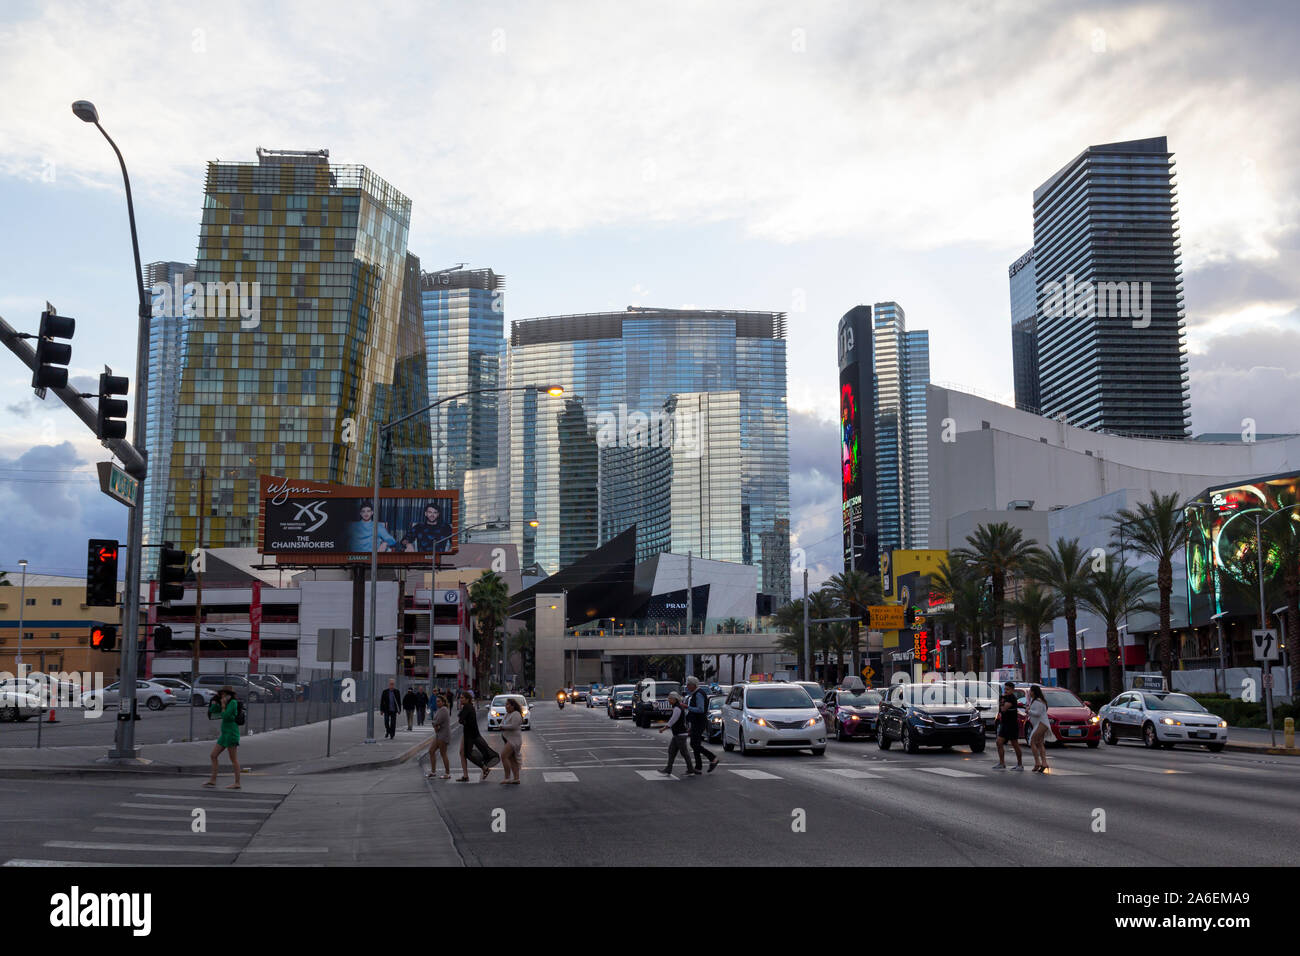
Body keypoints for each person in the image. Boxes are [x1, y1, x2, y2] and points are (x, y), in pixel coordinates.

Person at [204, 686, 242, 789]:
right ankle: (213, 780)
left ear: (229, 695)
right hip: (224, 734)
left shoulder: (233, 703)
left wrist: (224, 705)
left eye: (224, 694)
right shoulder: (223, 701)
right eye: (221, 694)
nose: (223, 696)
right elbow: (213, 711)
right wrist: (215, 702)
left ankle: (237, 782)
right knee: (213, 755)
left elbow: (226, 716)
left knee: (233, 759)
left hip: (231, 734)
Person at [457, 690, 500, 781]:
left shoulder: (467, 707)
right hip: (469, 733)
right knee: (462, 753)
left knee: (467, 754)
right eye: (460, 698)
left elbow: (461, 720)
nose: (460, 699)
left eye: (462, 698)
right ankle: (466, 775)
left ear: (467, 699)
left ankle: (484, 768)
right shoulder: (469, 707)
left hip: (470, 734)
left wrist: (462, 719)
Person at [658, 691, 697, 776]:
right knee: (671, 751)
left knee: (684, 753)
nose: (668, 700)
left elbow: (673, 720)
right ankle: (669, 769)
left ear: (674, 699)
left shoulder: (677, 708)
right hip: (678, 734)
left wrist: (664, 728)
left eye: (670, 699)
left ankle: (690, 769)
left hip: (680, 734)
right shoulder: (676, 707)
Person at [685, 675, 719, 773]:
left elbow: (700, 709)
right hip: (696, 722)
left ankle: (712, 758)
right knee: (695, 744)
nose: (687, 687)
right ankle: (698, 767)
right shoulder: (695, 694)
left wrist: (687, 707)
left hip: (699, 722)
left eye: (688, 685)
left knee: (694, 744)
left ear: (693, 685)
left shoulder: (699, 694)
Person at [993, 681, 1025, 771]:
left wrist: (1001, 703)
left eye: (1008, 689)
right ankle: (1002, 763)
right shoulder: (1005, 697)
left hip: (1011, 724)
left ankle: (1020, 764)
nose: (1006, 691)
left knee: (1015, 744)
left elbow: (1003, 709)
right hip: (1004, 723)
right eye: (1005, 689)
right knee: (999, 742)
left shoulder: (1011, 698)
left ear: (1012, 690)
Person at [1026, 684, 1057, 772]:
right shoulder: (1036, 701)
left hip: (1041, 724)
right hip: (1040, 724)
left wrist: (1029, 711)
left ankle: (1037, 763)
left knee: (1032, 742)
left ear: (1034, 692)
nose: (1029, 693)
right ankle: (1044, 763)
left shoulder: (1038, 701)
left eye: (1031, 691)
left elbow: (1038, 713)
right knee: (1039, 743)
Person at [426, 693, 452, 779]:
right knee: (431, 751)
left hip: (443, 735)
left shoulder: (444, 709)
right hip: (438, 734)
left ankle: (447, 773)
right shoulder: (439, 709)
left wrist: (435, 724)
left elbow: (436, 722)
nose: (437, 703)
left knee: (443, 753)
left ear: (443, 702)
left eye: (439, 701)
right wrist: (435, 724)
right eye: (436, 701)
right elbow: (435, 722)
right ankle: (433, 772)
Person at [499, 698, 524, 785]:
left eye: (508, 704)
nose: (506, 706)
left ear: (513, 706)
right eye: (506, 704)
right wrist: (502, 726)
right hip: (508, 739)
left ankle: (507, 778)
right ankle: (516, 778)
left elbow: (513, 726)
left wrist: (503, 727)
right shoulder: (507, 714)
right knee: (512, 759)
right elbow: (502, 723)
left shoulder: (516, 714)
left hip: (514, 740)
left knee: (503, 756)